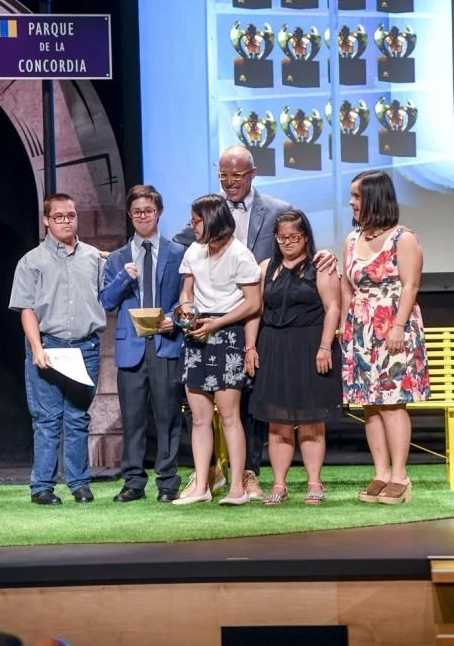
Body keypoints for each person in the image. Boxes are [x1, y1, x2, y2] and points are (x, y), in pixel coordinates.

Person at [174, 145, 336, 500]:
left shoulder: (277, 212)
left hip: (255, 323)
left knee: (262, 410)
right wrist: (184, 313)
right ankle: (207, 479)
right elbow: (186, 278)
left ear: (252, 173)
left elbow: (315, 278)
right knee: (227, 412)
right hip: (234, 330)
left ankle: (251, 476)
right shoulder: (200, 228)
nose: (229, 181)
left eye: (236, 174)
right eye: (223, 175)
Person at [9, 193, 106, 505]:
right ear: (47, 221)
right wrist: (36, 348)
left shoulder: (93, 257)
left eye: (71, 215)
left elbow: (109, 295)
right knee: (47, 419)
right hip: (48, 346)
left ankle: (79, 484)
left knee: (77, 417)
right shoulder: (31, 261)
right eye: (60, 216)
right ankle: (42, 488)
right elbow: (26, 309)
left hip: (85, 348)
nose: (67, 221)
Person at [341, 170, 430, 504]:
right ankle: (380, 472)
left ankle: (400, 476)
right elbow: (347, 286)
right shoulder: (352, 240)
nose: (351, 202)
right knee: (369, 405)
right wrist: (345, 328)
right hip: (360, 330)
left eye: (356, 196)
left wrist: (396, 326)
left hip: (393, 325)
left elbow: (410, 284)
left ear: (375, 198)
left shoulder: (403, 238)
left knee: (392, 403)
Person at [245, 210, 342, 504]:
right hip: (273, 345)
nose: (287, 242)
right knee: (278, 422)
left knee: (312, 421)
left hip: (310, 345)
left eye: (294, 237)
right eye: (281, 237)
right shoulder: (265, 268)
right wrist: (251, 347)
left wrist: (325, 346)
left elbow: (333, 307)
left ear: (306, 237)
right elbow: (255, 310)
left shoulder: (320, 266)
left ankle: (314, 482)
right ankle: (279, 484)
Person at [172, 194, 261, 505]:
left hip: (228, 336)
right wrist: (186, 310)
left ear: (212, 220)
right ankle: (201, 486)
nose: (192, 226)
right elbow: (187, 290)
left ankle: (237, 487)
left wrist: (217, 322)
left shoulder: (240, 254)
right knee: (198, 417)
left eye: (197, 220)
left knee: (229, 415)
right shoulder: (194, 252)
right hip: (197, 334)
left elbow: (253, 303)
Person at [100, 185, 184, 503]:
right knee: (133, 418)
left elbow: (187, 299)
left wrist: (174, 320)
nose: (142, 216)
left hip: (165, 342)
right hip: (131, 346)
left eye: (148, 211)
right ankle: (133, 482)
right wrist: (123, 278)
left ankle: (168, 481)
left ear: (158, 212)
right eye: (136, 212)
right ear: (129, 215)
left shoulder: (177, 252)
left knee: (167, 416)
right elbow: (106, 301)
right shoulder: (119, 258)